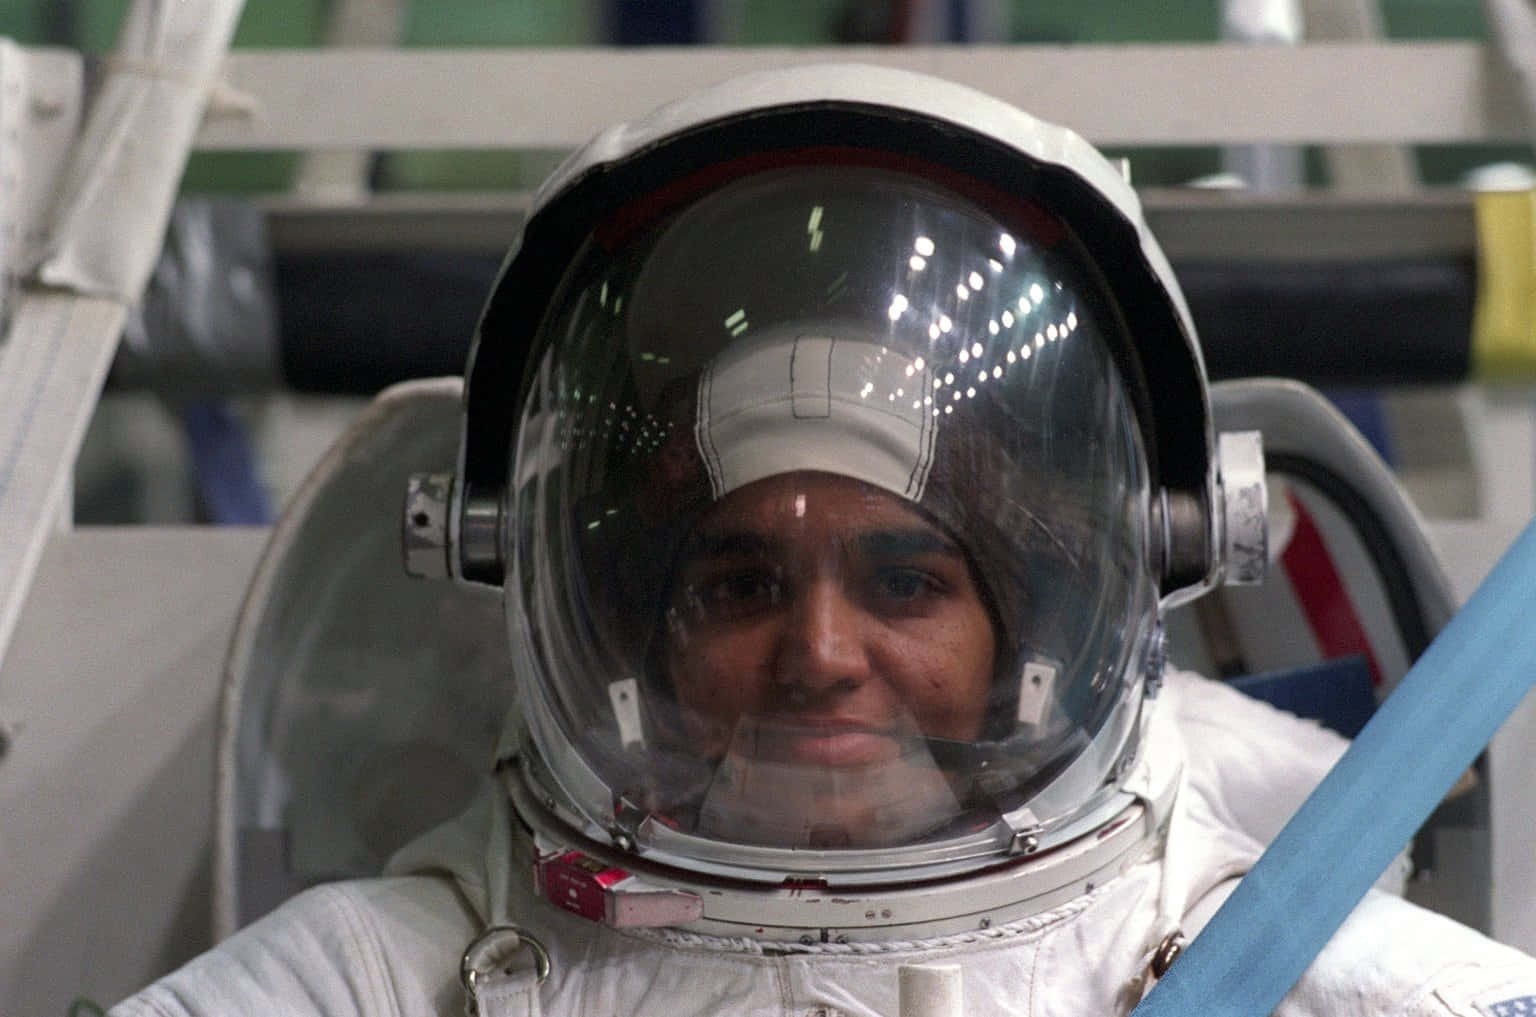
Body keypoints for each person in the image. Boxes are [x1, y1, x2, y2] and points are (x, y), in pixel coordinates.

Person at [111, 64, 1536, 1017]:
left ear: (1028, 633)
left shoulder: (1299, 974)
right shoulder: (388, 976)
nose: (821, 652)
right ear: (637, 634)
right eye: (741, 582)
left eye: (905, 581)